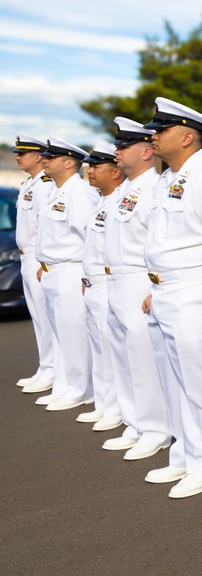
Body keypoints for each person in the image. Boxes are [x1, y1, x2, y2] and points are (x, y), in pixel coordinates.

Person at [143, 97, 202, 499]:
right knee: (173, 380)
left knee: (198, 381)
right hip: (163, 290)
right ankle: (185, 453)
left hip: (193, 289)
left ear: (188, 136)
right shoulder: (167, 178)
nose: (154, 136)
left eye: (161, 130)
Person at [101, 118, 172, 460]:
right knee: (124, 357)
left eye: (123, 146)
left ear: (146, 152)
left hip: (139, 280)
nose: (117, 151)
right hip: (116, 280)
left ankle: (156, 428)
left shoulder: (154, 188)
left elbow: (156, 242)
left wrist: (152, 286)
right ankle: (135, 422)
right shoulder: (125, 190)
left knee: (144, 359)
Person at [33, 138, 98, 411]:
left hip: (71, 271)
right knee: (60, 334)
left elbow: (89, 238)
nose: (44, 159)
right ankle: (64, 385)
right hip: (52, 271)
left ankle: (80, 389)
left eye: (52, 156)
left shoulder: (79, 192)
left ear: (70, 162)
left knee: (74, 334)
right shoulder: (55, 190)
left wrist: (87, 275)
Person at [77, 141, 125, 431]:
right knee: (100, 350)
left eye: (97, 166)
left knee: (113, 352)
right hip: (93, 284)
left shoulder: (120, 200)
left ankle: (117, 408)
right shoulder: (101, 201)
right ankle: (105, 404)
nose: (90, 170)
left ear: (116, 171)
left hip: (110, 284)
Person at [13, 135, 57, 395]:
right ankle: (45, 366)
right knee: (38, 317)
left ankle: (52, 370)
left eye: (23, 153)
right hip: (25, 256)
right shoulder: (29, 184)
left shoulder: (44, 185)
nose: (18, 157)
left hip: (37, 257)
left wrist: (42, 259)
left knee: (46, 316)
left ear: (38, 156)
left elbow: (46, 227)